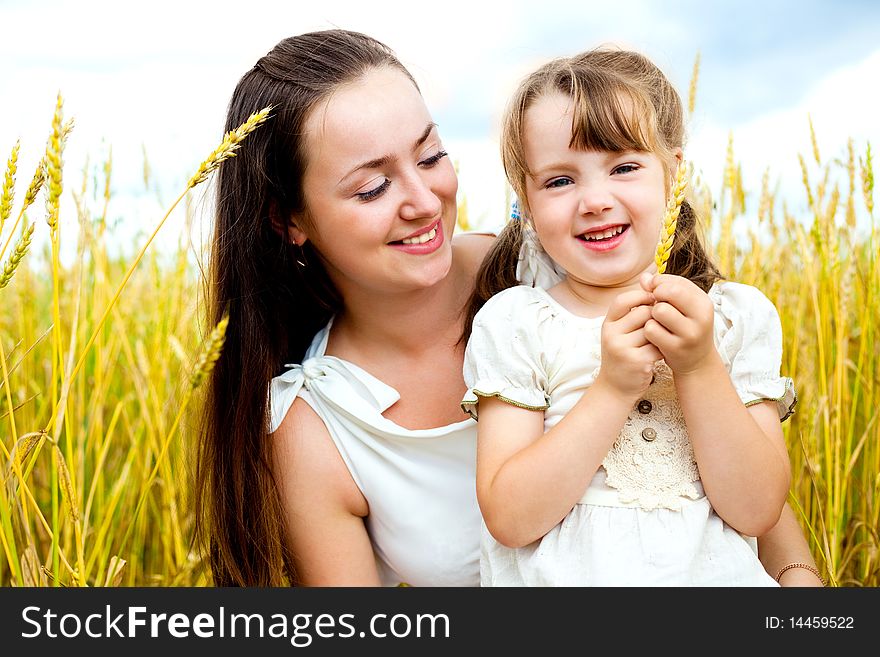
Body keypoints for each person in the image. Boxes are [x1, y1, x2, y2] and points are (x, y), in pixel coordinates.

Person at [194, 29, 823, 587]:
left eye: (431, 155)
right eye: (372, 186)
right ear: (290, 219)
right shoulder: (318, 427)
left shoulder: (563, 258)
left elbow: (715, 475)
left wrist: (801, 587)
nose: (423, 198)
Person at [462, 48, 804, 586]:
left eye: (624, 167)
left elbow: (757, 509)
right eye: (559, 181)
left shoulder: (736, 317)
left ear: (673, 174)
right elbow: (510, 518)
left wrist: (697, 367)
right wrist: (612, 387)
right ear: (525, 203)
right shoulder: (517, 324)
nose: (595, 200)